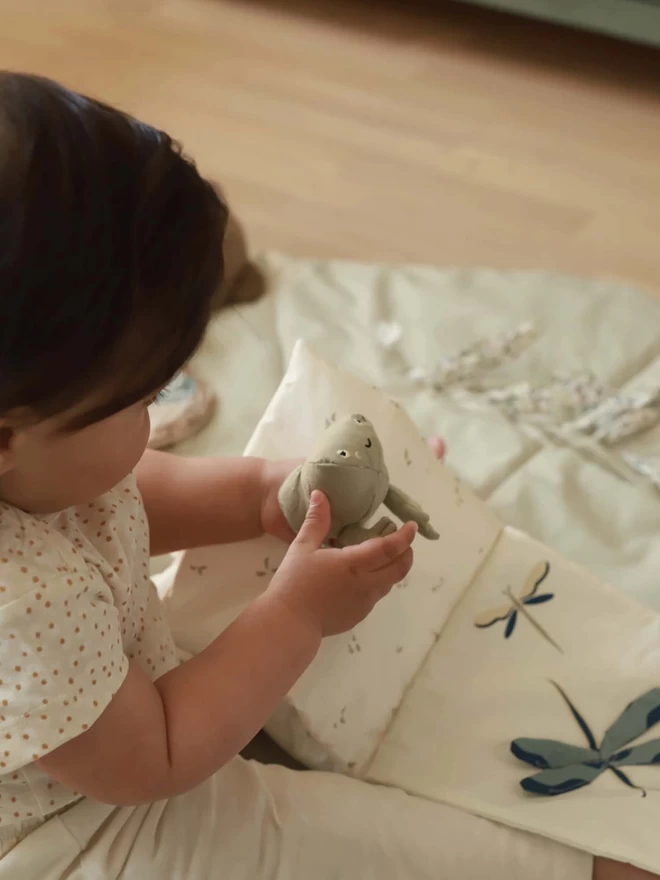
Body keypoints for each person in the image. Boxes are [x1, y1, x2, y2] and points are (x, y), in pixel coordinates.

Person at [0, 71, 651, 880]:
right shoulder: (23, 602)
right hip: (87, 831)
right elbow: (154, 758)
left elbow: (132, 493)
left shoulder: (39, 468)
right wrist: (298, 615)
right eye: (136, 401)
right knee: (427, 854)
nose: (147, 425)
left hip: (105, 708)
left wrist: (266, 490)